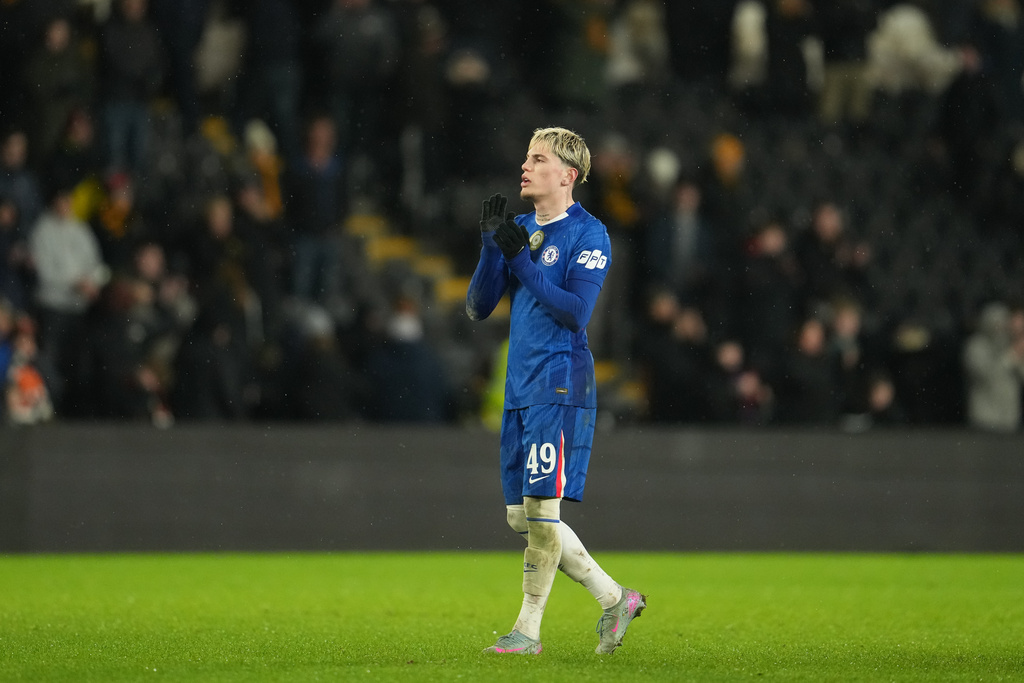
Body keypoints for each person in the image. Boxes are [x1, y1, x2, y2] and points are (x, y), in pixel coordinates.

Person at [466, 127, 646, 656]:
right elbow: (478, 306)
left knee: (542, 513)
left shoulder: (590, 235)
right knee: (520, 516)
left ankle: (527, 631)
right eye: (526, 157)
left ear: (567, 175)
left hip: (560, 382)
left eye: (538, 159)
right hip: (519, 386)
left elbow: (575, 311)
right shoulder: (519, 227)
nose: (525, 167)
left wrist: (520, 261)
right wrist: (489, 247)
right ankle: (615, 598)